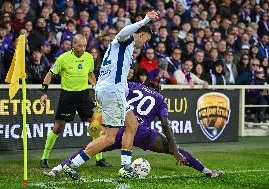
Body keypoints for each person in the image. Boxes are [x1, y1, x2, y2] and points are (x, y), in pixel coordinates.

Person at [52, 11, 160, 180]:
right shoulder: (126, 40)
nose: (144, 44)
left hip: (111, 91)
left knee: (132, 124)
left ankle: (125, 166)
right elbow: (123, 32)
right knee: (109, 138)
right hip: (112, 92)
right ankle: (72, 165)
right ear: (142, 34)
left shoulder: (123, 48)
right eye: (145, 40)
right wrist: (145, 20)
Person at [46, 82, 222, 179]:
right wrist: (174, 149)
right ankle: (207, 171)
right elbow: (166, 124)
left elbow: (114, 93)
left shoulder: (135, 86)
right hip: (142, 133)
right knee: (174, 149)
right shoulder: (160, 98)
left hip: (121, 129)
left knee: (91, 148)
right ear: (158, 90)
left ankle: (57, 169)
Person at [39, 34, 111, 169]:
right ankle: (44, 158)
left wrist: (97, 88)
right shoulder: (63, 58)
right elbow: (50, 74)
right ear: (73, 44)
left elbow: (90, 74)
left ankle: (99, 159)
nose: (82, 48)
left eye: (84, 46)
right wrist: (44, 93)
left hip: (83, 96)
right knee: (58, 127)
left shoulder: (89, 57)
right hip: (67, 97)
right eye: (79, 45)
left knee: (95, 126)